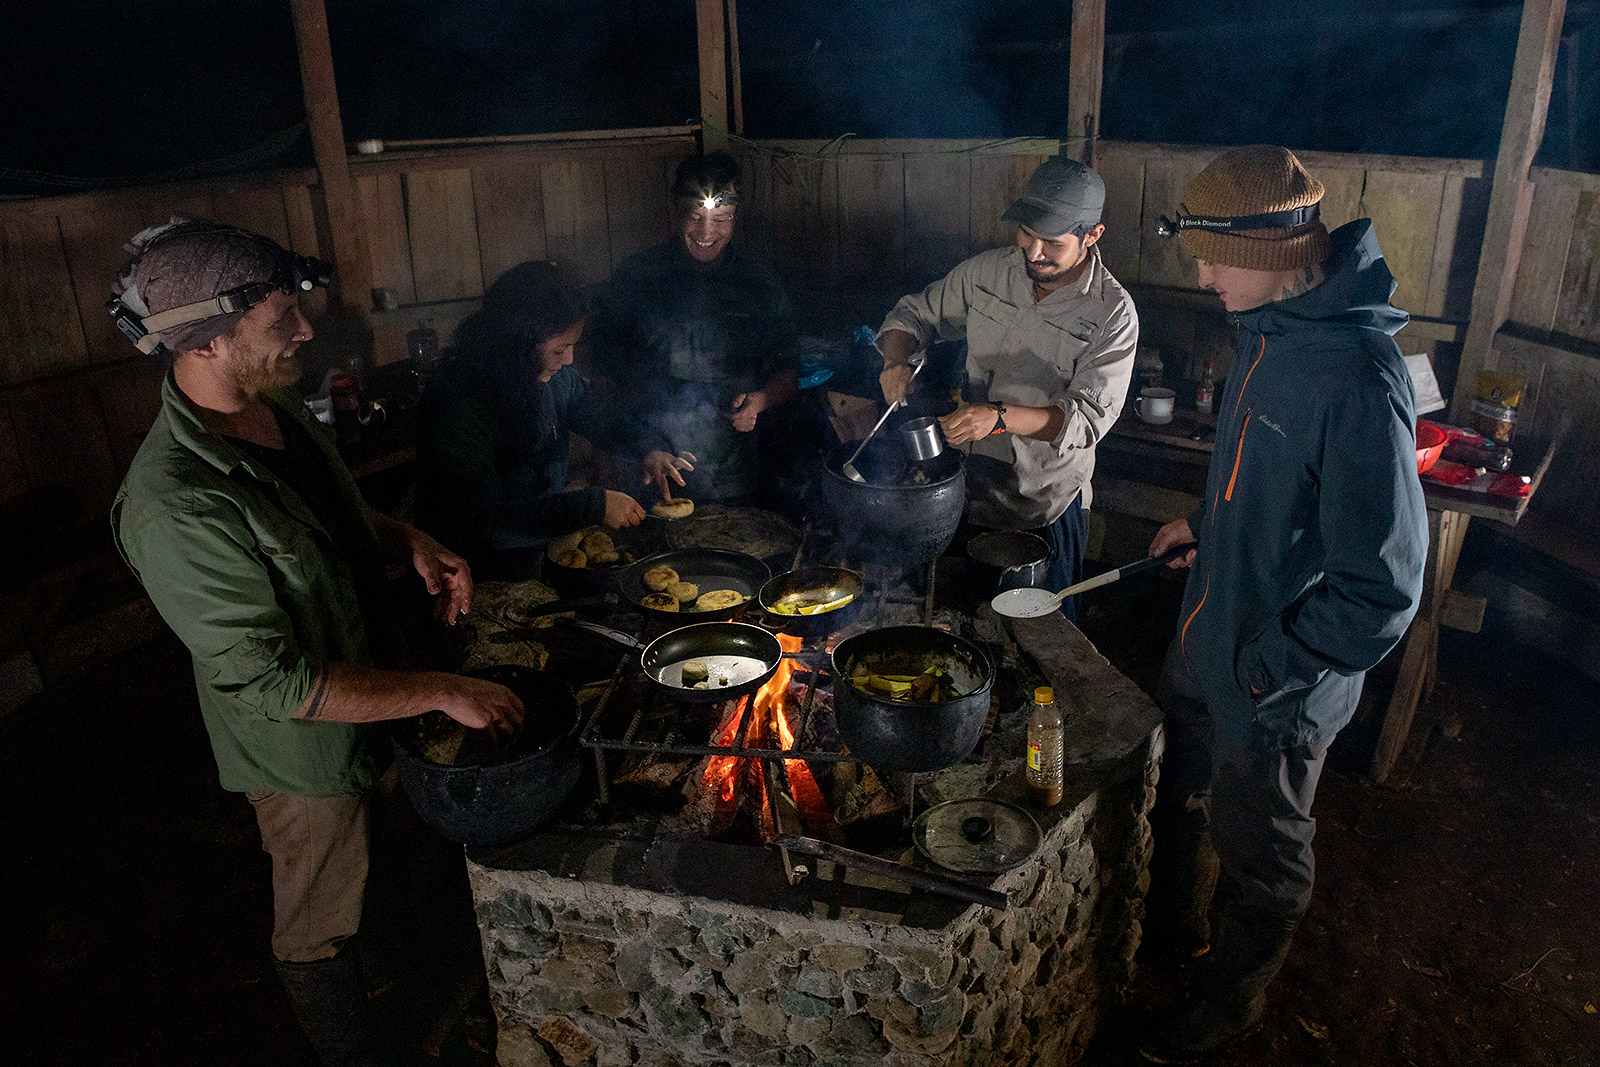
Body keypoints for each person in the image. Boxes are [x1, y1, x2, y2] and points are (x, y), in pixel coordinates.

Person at [108, 218, 523, 1067]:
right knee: (319, 914)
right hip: (302, 758)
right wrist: (440, 688)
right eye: (280, 322)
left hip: (374, 694)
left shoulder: (276, 408)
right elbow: (274, 680)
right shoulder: (175, 504)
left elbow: (330, 517)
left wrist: (403, 538)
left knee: (389, 872)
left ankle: (415, 996)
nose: (304, 330)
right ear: (209, 341)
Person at [1137, 146, 1427, 1061]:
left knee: (1264, 852)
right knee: (1184, 789)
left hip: (1275, 678)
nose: (1204, 274)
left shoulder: (1356, 379)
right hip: (1208, 630)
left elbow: (1380, 591)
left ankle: (1231, 1006)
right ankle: (1177, 932)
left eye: (1215, 255)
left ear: (1266, 253)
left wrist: (1267, 667)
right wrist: (1204, 529)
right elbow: (1260, 488)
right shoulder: (1266, 326)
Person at [876, 156, 1137, 618]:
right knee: (950, 626)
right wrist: (897, 360)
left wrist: (997, 417)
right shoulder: (989, 274)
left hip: (1042, 505)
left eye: (1052, 243)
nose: (1033, 252)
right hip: (964, 495)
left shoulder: (1112, 315)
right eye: (1026, 233)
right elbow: (915, 314)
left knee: (1040, 645)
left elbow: (1084, 421)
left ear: (1092, 235)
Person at [415, 260, 694, 579]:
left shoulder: (555, 379)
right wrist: (592, 506)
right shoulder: (458, 401)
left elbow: (604, 418)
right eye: (560, 349)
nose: (569, 361)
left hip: (538, 553)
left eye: (573, 346)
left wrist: (649, 447)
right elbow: (480, 517)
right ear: (516, 343)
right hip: (470, 571)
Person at [591, 151, 799, 503]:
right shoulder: (636, 278)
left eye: (721, 219)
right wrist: (603, 451)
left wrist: (759, 402)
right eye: (695, 217)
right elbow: (604, 376)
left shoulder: (759, 286)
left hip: (731, 473)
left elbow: (789, 373)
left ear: (736, 216)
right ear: (675, 210)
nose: (706, 232)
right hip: (645, 464)